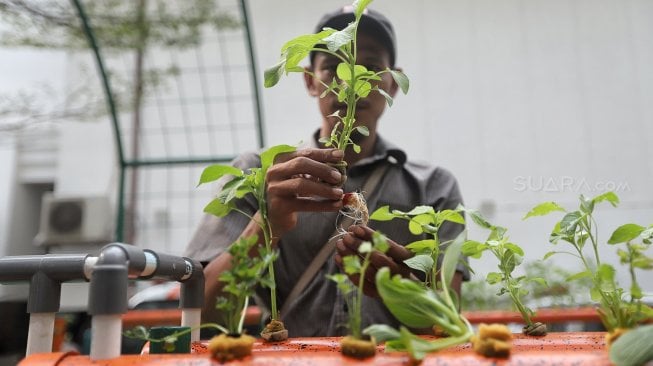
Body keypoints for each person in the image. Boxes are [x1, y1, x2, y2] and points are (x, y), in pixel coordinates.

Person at [184, 5, 467, 337]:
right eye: (334, 67)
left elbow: (448, 320)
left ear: (391, 83)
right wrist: (264, 227)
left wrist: (406, 293)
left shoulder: (433, 186)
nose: (351, 82)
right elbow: (200, 318)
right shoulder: (259, 174)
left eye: (371, 68)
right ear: (310, 81)